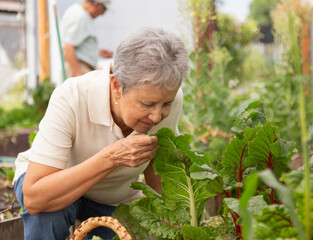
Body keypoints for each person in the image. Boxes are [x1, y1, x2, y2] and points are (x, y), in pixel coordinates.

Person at [13, 28, 189, 239]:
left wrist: (170, 225)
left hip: (113, 199)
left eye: (166, 104)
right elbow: (35, 198)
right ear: (117, 86)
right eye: (147, 104)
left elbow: (157, 174)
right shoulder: (72, 96)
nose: (156, 116)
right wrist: (111, 157)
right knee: (47, 213)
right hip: (51, 184)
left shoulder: (167, 95)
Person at [61, 0, 113, 78]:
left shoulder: (78, 13)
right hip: (77, 69)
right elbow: (68, 47)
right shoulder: (80, 16)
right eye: (104, 10)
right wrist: (78, 73)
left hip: (79, 68)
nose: (102, 14)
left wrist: (96, 52)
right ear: (96, 4)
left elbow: (74, 44)